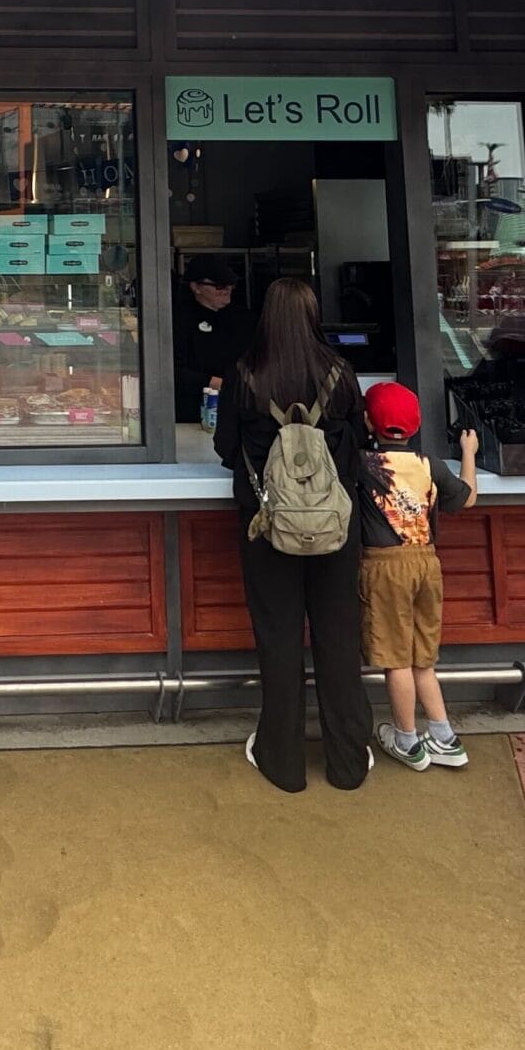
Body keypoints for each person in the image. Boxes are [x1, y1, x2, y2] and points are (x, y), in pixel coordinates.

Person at [214, 275, 373, 792]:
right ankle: (348, 761)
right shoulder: (341, 372)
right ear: (312, 314)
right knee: (338, 636)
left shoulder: (245, 374)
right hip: (334, 524)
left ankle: (281, 760)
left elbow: (225, 447)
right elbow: (359, 445)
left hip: (267, 524)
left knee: (279, 638)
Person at [357, 380, 479, 770]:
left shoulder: (364, 464)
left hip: (385, 565)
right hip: (427, 563)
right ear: (415, 426)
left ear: (367, 421)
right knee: (423, 659)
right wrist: (469, 453)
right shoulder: (430, 464)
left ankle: (408, 741)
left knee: (397, 660)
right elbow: (466, 498)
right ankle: (444, 736)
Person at [174, 254, 254, 425]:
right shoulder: (178, 320)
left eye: (230, 285)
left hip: (237, 406)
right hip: (193, 411)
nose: (226, 290)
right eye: (219, 285)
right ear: (196, 286)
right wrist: (211, 381)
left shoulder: (242, 318)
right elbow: (171, 371)